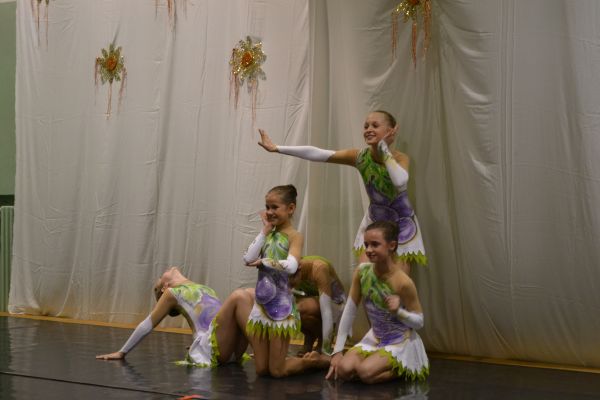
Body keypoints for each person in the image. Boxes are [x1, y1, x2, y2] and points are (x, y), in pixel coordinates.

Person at [258, 110, 426, 274]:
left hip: (402, 223)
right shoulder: (360, 156)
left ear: (390, 131)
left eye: (375, 125)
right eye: (366, 126)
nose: (368, 129)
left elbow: (400, 181)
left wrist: (384, 149)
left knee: (398, 279)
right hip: (375, 219)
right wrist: (277, 148)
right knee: (364, 274)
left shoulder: (400, 158)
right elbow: (319, 153)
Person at [326, 221, 429, 384]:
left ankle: (406, 366)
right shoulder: (362, 272)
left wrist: (399, 312)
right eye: (366, 245)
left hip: (398, 341)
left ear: (391, 245)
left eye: (375, 244)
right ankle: (370, 364)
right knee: (344, 369)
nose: (368, 250)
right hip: (375, 337)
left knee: (365, 373)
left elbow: (419, 322)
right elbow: (350, 311)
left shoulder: (403, 282)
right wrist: (337, 350)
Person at [243, 184, 329, 377]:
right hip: (262, 307)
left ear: (290, 208)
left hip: (281, 308)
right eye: (267, 207)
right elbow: (248, 258)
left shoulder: (294, 236)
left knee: (277, 370)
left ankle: (314, 362)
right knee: (261, 369)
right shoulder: (268, 234)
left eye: (275, 207)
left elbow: (291, 265)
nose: (269, 212)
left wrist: (265, 262)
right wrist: (264, 231)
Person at [96, 266, 253, 367]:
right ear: (164, 288)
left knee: (249, 294)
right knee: (240, 296)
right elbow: (147, 324)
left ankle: (261, 349)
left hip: (232, 349)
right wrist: (122, 352)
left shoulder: (203, 287)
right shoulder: (172, 293)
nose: (160, 276)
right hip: (213, 350)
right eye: (158, 285)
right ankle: (261, 353)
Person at [290, 256, 347, 355]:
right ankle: (309, 338)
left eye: (291, 283)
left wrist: (326, 349)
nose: (290, 286)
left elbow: (326, 312)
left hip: (336, 305)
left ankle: (323, 343)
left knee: (299, 308)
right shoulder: (293, 269)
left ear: (298, 270)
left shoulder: (319, 268)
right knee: (291, 311)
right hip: (318, 302)